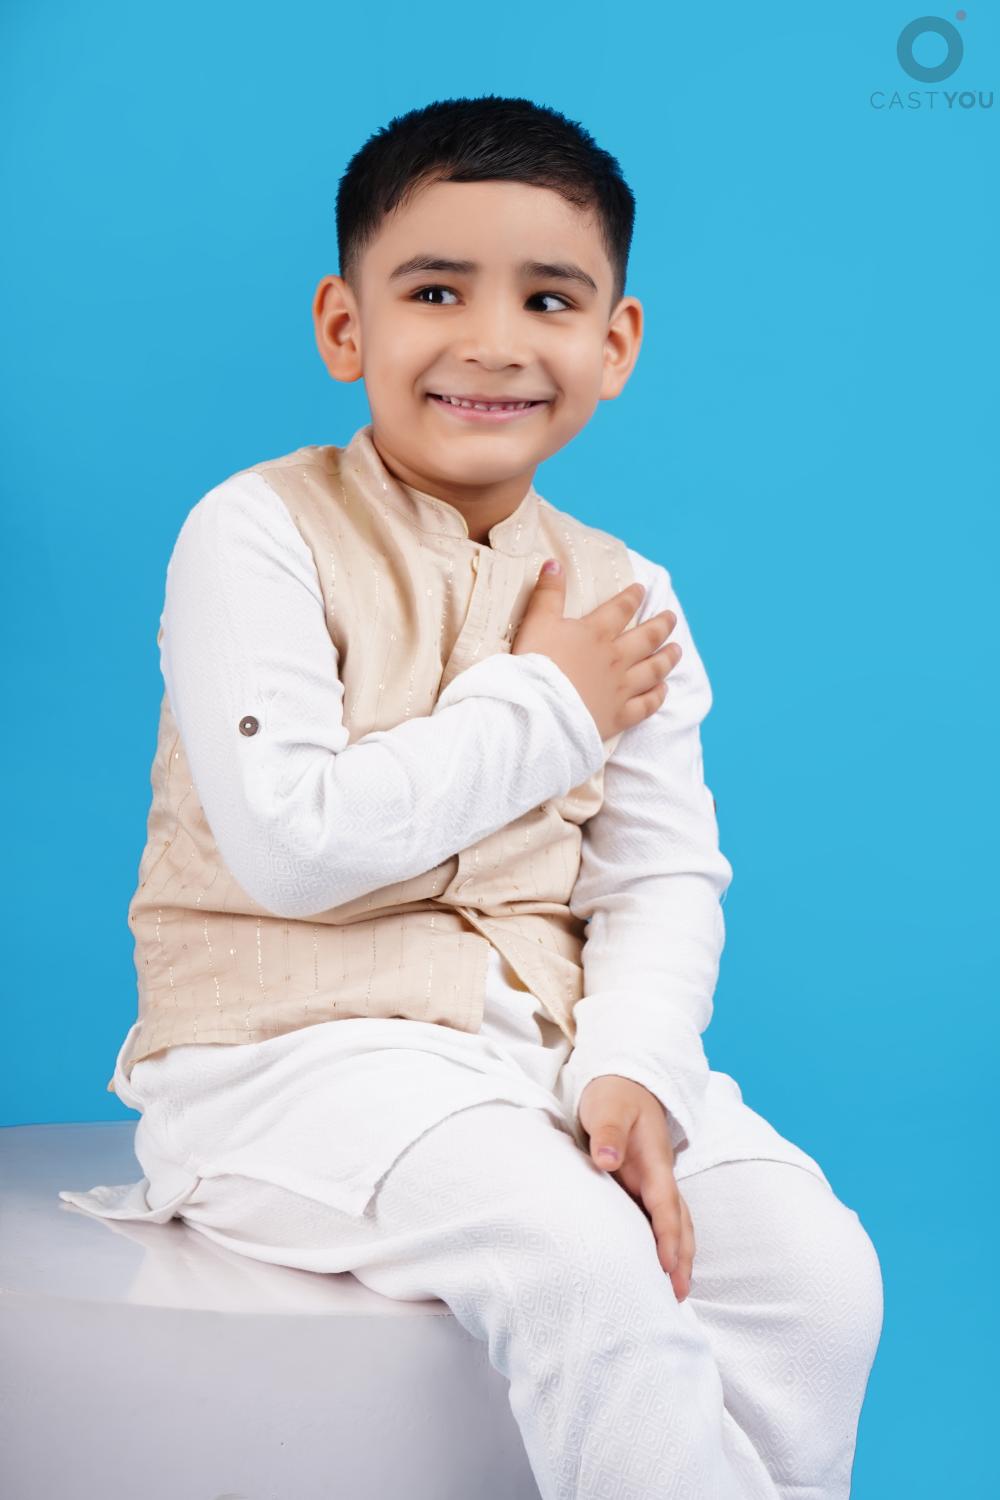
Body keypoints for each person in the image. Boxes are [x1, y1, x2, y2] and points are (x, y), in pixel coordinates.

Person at [59, 95, 884, 1499]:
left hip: (533, 1058)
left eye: (549, 298)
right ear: (346, 326)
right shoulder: (255, 532)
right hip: (285, 1060)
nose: (494, 341)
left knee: (817, 1275)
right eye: (435, 290)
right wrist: (550, 702)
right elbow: (294, 845)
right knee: (579, 1259)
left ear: (614, 343)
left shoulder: (629, 593)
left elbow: (660, 876)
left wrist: (634, 1065)